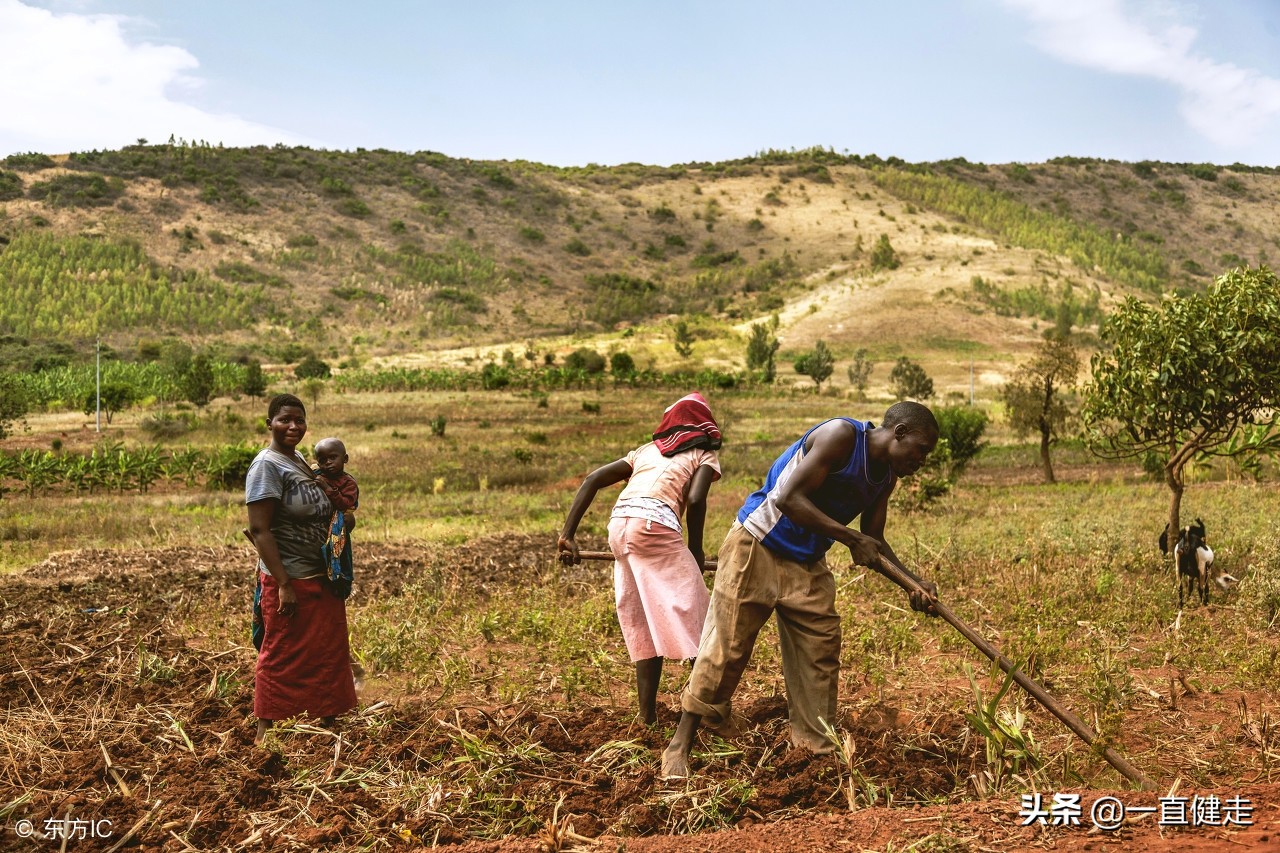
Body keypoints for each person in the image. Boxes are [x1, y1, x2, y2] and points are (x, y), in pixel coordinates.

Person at [660, 401, 941, 778]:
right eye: (921, 449)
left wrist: (913, 583)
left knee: (819, 651)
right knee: (727, 647)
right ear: (900, 432)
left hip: (807, 560)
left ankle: (815, 752)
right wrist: (848, 537)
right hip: (757, 543)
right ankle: (680, 744)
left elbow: (873, 540)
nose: (922, 459)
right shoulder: (841, 436)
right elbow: (787, 498)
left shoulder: (884, 478)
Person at [558, 392, 723, 724]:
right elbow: (696, 497)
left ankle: (647, 718)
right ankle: (708, 714)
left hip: (619, 528)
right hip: (655, 528)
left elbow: (592, 480)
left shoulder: (645, 451)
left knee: (643, 618)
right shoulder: (703, 456)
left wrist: (567, 535)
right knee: (700, 617)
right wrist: (696, 549)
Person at [245, 394, 356, 743]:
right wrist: (283, 584)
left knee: (327, 649)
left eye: (300, 420)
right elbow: (260, 529)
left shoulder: (303, 462)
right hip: (290, 576)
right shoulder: (267, 465)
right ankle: (265, 734)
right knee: (281, 652)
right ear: (269, 424)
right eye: (284, 420)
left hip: (322, 574)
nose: (293, 426)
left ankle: (328, 725)